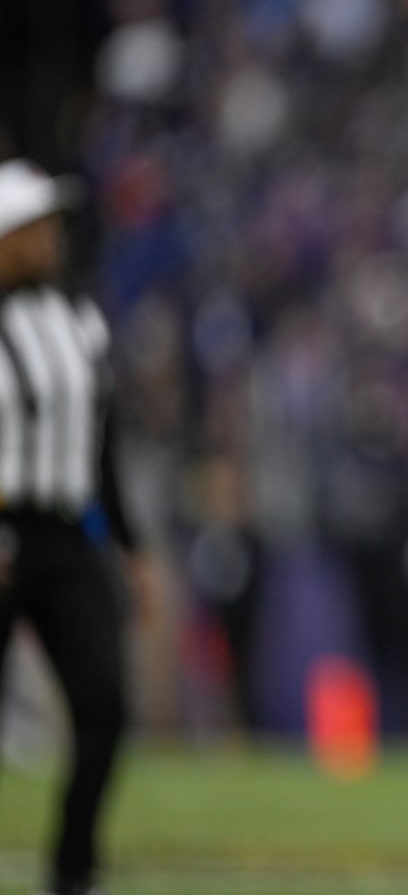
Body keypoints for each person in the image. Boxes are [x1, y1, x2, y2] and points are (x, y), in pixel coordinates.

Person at [0, 158, 155, 895]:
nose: (48, 239)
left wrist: (133, 547)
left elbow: (103, 445)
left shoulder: (77, 318)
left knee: (104, 707)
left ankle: (72, 870)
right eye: (32, 227)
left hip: (63, 535)